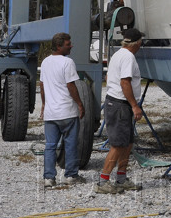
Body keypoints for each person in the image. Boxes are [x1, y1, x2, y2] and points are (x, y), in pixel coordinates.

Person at [94, 27, 144, 194]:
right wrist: (135, 105)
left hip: (117, 103)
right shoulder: (129, 57)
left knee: (127, 143)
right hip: (120, 104)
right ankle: (103, 181)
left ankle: (121, 179)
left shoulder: (117, 54)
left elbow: (109, 77)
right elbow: (125, 82)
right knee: (117, 144)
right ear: (138, 43)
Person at [39, 32, 86, 187]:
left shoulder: (45, 62)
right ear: (59, 46)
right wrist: (79, 103)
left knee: (50, 145)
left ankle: (48, 178)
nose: (71, 46)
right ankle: (71, 175)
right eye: (68, 44)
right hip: (67, 111)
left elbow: (43, 85)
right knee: (71, 144)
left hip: (51, 113)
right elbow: (70, 85)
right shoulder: (68, 62)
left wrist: (44, 104)